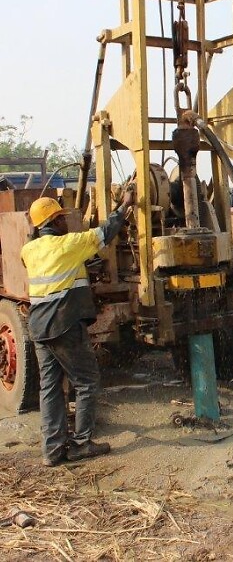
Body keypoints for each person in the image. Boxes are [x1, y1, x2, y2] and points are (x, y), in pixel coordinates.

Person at [21, 189, 135, 466]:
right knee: (86, 381)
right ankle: (81, 444)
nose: (66, 222)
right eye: (61, 218)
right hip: (64, 323)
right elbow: (104, 233)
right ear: (53, 222)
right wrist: (124, 206)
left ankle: (52, 451)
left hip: (39, 327)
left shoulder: (28, 250)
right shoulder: (70, 244)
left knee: (49, 388)